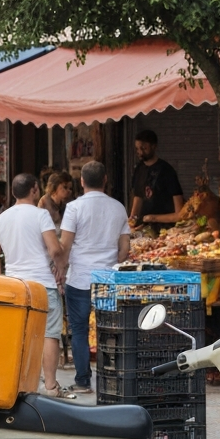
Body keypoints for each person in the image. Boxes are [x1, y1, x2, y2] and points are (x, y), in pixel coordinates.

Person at [0, 173, 73, 398]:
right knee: (49, 335)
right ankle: (51, 386)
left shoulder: (0, 220)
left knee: (21, 334)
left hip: (16, 286)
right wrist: (61, 266)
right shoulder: (41, 216)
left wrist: (0, 284)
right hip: (43, 285)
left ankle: (20, 383)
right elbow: (54, 249)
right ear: (35, 189)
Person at [60, 161, 131, 395]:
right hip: (108, 279)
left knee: (79, 330)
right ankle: (111, 381)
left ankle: (83, 382)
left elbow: (65, 245)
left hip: (79, 278)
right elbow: (124, 249)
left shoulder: (73, 208)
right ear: (105, 180)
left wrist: (60, 269)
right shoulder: (119, 208)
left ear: (81, 181)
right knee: (109, 329)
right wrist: (112, 264)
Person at [129, 129, 184, 226]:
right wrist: (131, 221)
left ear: (154, 147)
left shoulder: (167, 170)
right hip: (143, 227)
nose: (140, 152)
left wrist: (154, 218)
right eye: (137, 149)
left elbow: (179, 212)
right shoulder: (139, 169)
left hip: (165, 228)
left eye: (144, 148)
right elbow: (138, 197)